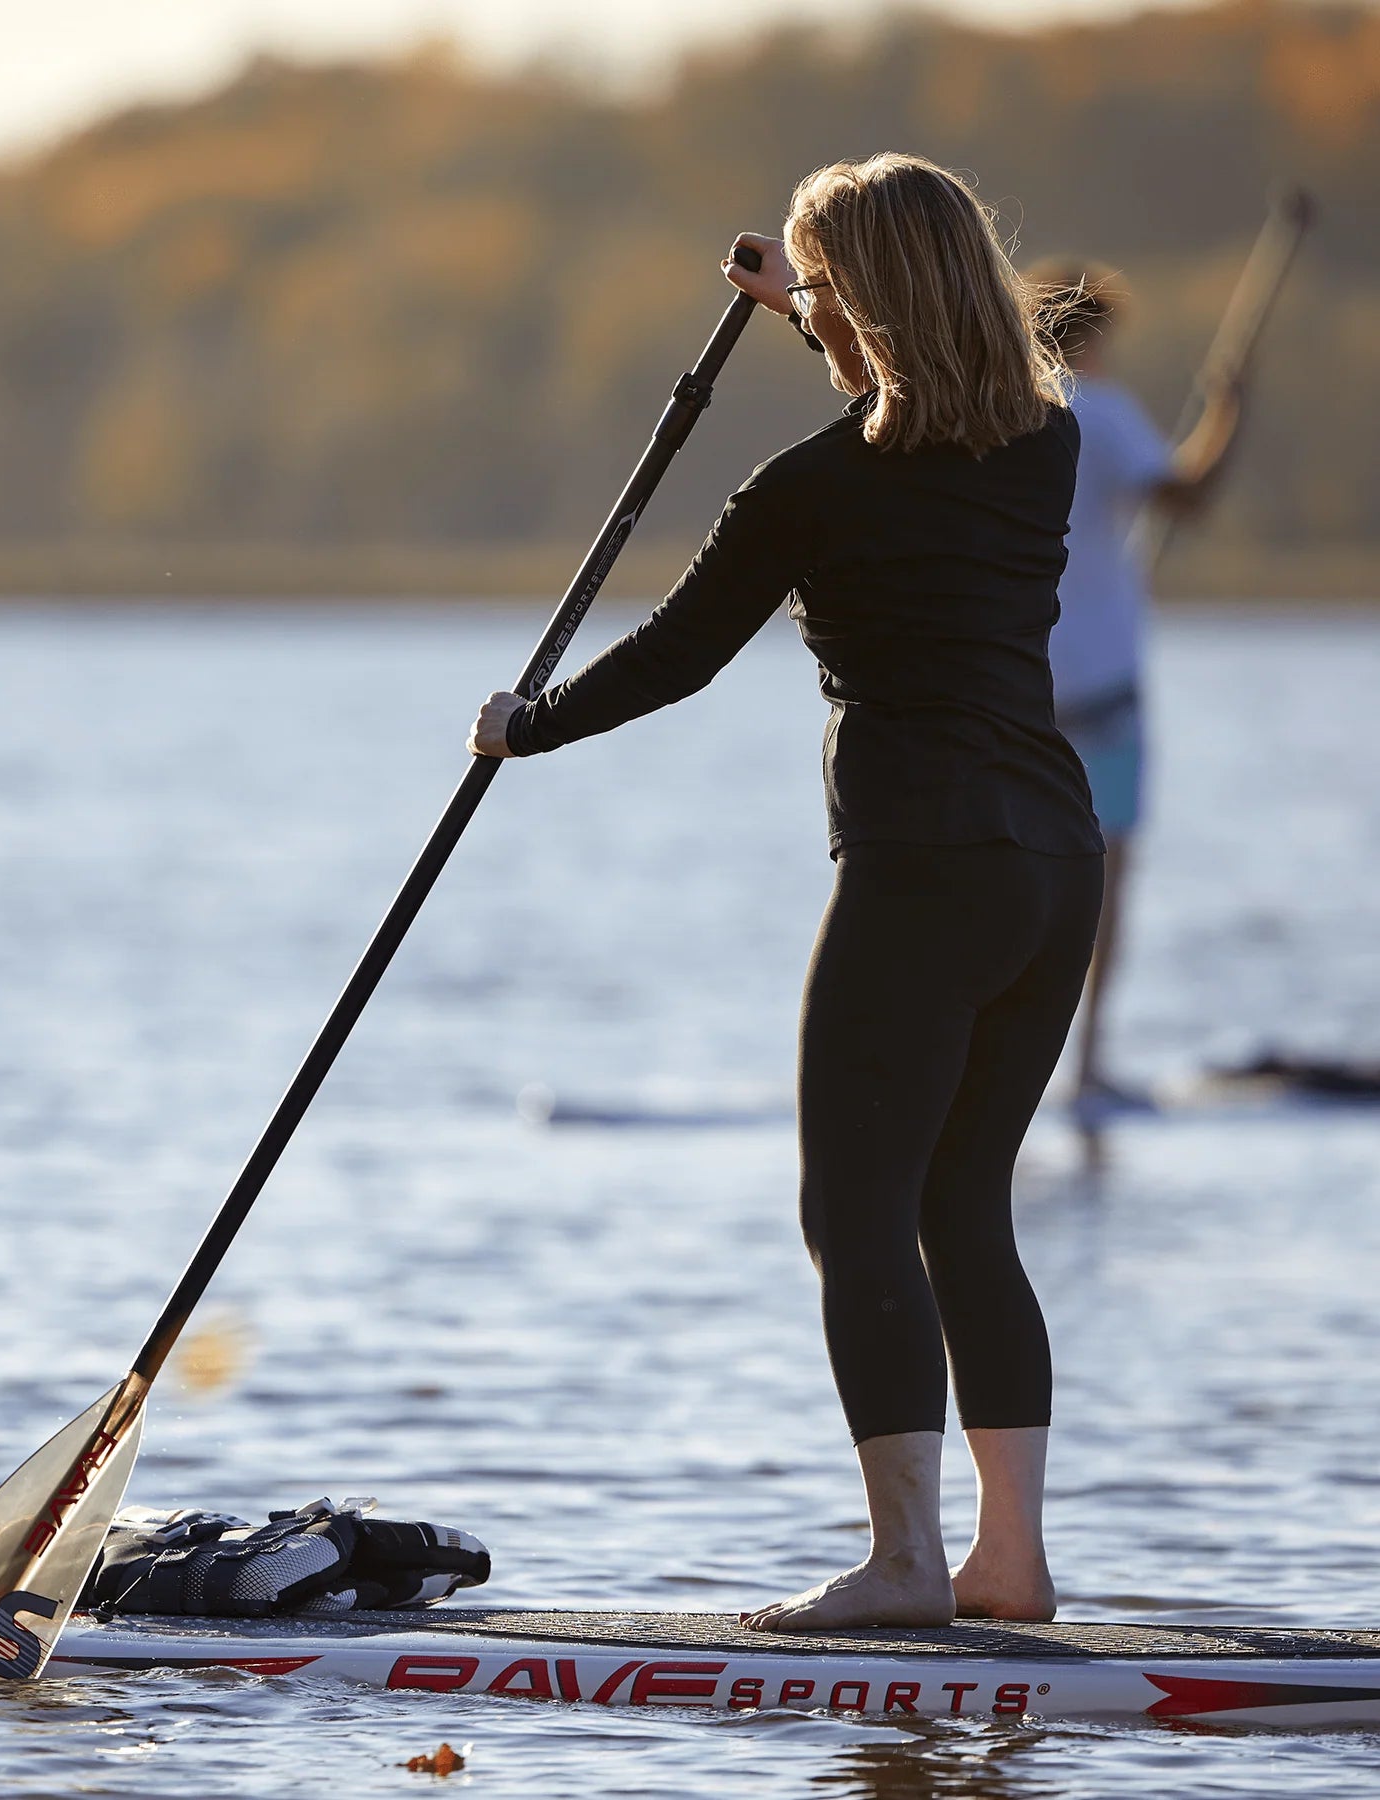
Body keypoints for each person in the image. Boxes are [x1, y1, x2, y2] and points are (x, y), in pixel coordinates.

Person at [468, 154, 1104, 1629]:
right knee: (966, 1204)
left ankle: (900, 1570)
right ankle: (1007, 1563)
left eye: (821, 293)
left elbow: (677, 656)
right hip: (1053, 867)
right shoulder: (1047, 442)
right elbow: (919, 431)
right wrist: (815, 312)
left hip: (923, 871)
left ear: (862, 303)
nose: (806, 315)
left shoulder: (806, 490)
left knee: (854, 1206)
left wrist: (526, 723)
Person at [1026, 264, 1243, 1122]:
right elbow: (1188, 497)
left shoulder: (1012, 411)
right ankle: (1087, 1066)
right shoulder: (1101, 409)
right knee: (1107, 880)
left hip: (1024, 681)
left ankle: (984, 1058)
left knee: (1019, 875)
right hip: (1105, 687)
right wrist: (1230, 411)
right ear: (1092, 335)